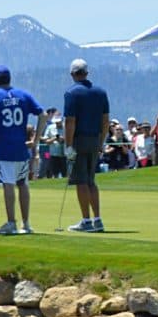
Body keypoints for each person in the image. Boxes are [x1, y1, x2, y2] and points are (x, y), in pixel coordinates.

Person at [0, 66, 47, 235]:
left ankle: (11, 222)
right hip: (21, 147)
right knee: (23, 184)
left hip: (3, 148)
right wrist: (35, 140)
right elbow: (42, 115)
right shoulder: (23, 95)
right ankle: (26, 223)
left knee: (8, 184)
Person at [64, 58, 110, 233]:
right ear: (87, 73)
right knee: (91, 181)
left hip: (79, 140)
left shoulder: (71, 93)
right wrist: (101, 141)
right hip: (94, 139)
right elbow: (105, 121)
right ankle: (97, 219)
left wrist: (68, 146)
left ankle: (86, 220)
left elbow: (70, 122)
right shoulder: (101, 92)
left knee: (81, 181)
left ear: (72, 74)